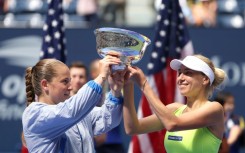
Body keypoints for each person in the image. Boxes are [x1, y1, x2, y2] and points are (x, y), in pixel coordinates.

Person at [22, 53, 126, 152]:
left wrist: (115, 91)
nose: (70, 87)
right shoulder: (34, 114)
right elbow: (70, 112)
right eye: (65, 81)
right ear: (45, 84)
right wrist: (101, 76)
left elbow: (108, 119)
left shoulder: (76, 111)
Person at [123, 54, 227, 153]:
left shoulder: (215, 109)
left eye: (188, 73)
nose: (180, 78)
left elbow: (172, 124)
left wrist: (144, 84)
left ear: (205, 79)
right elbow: (132, 128)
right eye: (180, 72)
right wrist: (127, 83)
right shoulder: (174, 109)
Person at [90, 58, 125, 153]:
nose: (107, 71)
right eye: (102, 69)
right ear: (93, 73)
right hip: (92, 145)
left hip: (114, 145)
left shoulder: (115, 88)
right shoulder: (87, 94)